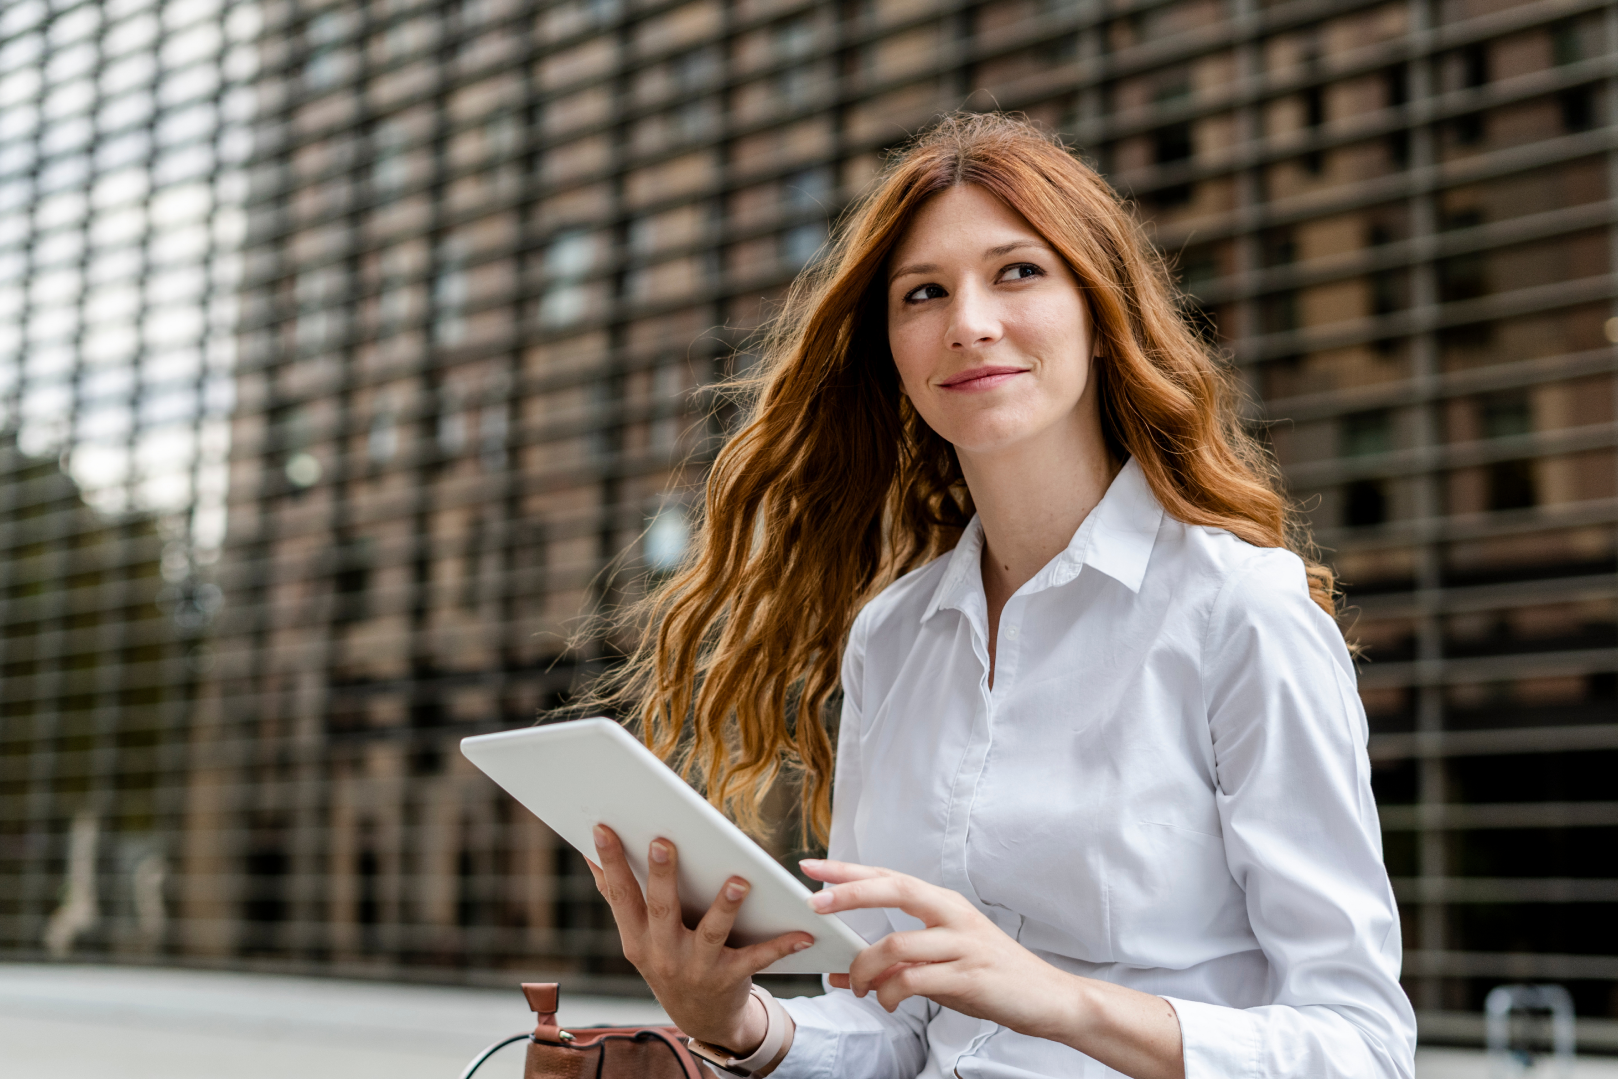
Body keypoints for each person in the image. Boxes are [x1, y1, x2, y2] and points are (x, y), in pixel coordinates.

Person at [583, 113, 1416, 1079]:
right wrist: (738, 1022)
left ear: (1102, 317)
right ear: (895, 353)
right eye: (923, 293)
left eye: (1018, 272)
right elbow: (896, 1026)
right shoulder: (892, 638)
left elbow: (1362, 1050)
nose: (969, 322)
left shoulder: (1241, 612)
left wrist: (1058, 1000)